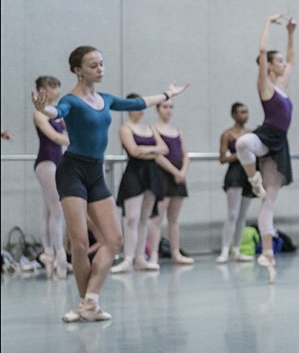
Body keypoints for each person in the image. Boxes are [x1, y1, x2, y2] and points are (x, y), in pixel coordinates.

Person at [32, 45, 187, 322]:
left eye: (101, 64)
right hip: (72, 171)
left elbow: (136, 104)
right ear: (77, 70)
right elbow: (58, 111)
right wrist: (44, 108)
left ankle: (90, 301)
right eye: (93, 65)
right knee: (79, 243)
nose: (100, 69)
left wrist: (167, 94)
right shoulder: (72, 100)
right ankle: (84, 302)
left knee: (114, 240)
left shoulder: (105, 98)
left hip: (95, 173)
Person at [235, 14, 296, 283]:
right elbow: (261, 51)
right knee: (243, 142)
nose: (284, 63)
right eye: (278, 60)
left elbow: (293, 59)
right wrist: (268, 24)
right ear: (269, 66)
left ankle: (268, 254)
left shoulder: (282, 86)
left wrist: (291, 33)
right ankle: (252, 177)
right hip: (265, 136)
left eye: (282, 60)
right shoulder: (266, 86)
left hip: (279, 144)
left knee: (269, 202)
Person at [110, 94, 167, 273]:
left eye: (141, 107)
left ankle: (141, 256)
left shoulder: (149, 128)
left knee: (145, 218)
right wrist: (153, 151)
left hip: (151, 173)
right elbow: (134, 151)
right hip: (135, 173)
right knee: (132, 218)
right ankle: (128, 257)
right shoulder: (125, 128)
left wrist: (147, 150)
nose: (140, 111)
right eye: (136, 107)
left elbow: (164, 149)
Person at [148, 98, 193, 265]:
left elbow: (185, 154)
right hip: (163, 175)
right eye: (165, 107)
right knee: (157, 218)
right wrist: (174, 171)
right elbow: (158, 156)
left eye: (171, 107)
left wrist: (182, 172)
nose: (168, 110)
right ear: (158, 109)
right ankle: (153, 254)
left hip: (178, 177)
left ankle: (176, 252)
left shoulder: (177, 130)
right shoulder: (153, 129)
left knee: (174, 218)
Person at [33, 76, 70, 279]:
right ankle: (58, 254)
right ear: (42, 90)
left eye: (57, 86)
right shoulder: (40, 114)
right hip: (46, 162)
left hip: (57, 162)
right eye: (52, 86)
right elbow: (55, 137)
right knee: (57, 210)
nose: (56, 90)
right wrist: (76, 142)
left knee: (48, 210)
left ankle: (49, 253)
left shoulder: (57, 114)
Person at [217, 102, 255, 263]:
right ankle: (225, 249)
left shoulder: (251, 134)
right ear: (234, 115)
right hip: (234, 174)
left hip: (248, 174)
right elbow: (222, 158)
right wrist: (239, 153)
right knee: (232, 213)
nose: (244, 115)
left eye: (246, 112)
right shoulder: (227, 134)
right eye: (241, 112)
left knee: (242, 214)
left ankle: (236, 249)